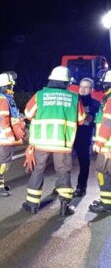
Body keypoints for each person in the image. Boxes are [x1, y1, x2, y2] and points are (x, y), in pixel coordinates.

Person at [22, 66, 85, 217]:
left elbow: (28, 114)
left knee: (39, 170)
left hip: (41, 142)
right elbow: (81, 120)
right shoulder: (74, 98)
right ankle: (64, 206)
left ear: (51, 79)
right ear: (66, 82)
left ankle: (32, 204)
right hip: (63, 144)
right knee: (63, 172)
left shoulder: (40, 95)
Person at [0, 71, 26, 197]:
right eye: (11, 85)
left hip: (5, 136)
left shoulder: (5, 98)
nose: (13, 88)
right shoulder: (1, 98)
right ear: (6, 85)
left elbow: (9, 117)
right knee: (3, 162)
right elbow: (2, 119)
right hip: (4, 137)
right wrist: (9, 135)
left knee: (2, 160)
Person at [72, 78, 100, 197]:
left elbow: (98, 122)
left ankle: (81, 187)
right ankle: (61, 186)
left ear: (91, 89)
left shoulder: (95, 104)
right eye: (81, 86)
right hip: (69, 137)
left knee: (84, 164)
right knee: (64, 163)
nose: (82, 89)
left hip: (84, 138)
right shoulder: (73, 100)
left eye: (86, 87)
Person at [89, 70, 111, 213]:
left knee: (102, 173)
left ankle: (106, 203)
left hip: (107, 146)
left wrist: (99, 142)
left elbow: (108, 122)